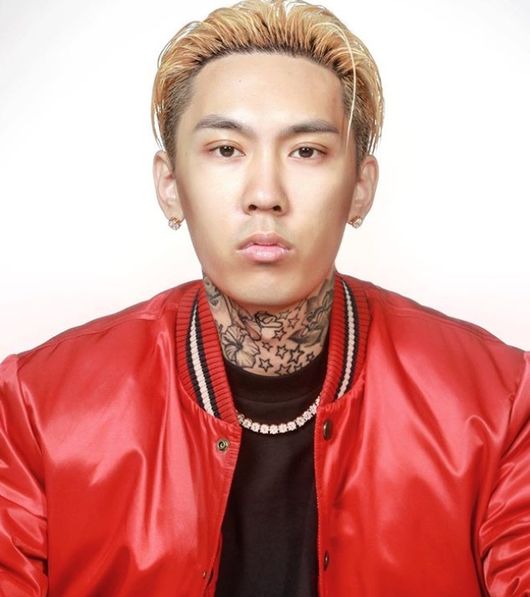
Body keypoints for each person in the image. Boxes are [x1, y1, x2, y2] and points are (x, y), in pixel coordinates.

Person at [0, 0, 528, 594]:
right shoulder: (38, 408)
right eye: (226, 149)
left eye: (307, 151)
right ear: (170, 187)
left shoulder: (498, 403)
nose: (265, 194)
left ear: (360, 189)